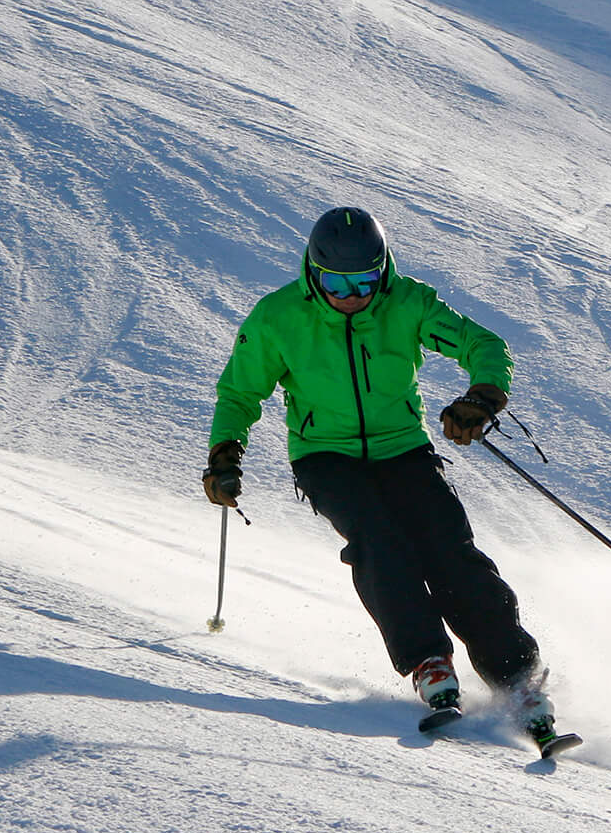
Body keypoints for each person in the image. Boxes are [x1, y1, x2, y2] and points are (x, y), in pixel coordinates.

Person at [202, 205, 560, 749]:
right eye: (336, 282)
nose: (351, 294)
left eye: (365, 280)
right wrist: (226, 454)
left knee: (449, 549)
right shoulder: (277, 318)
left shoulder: (408, 303)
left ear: (383, 270)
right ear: (313, 272)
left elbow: (482, 345)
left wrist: (481, 396)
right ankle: (428, 663)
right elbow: (240, 393)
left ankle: (516, 676)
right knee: (379, 542)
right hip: (325, 455)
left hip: (403, 449)